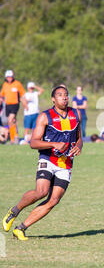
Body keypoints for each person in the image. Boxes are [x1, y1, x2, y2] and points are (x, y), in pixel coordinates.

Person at [2, 85, 82, 241]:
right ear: (53, 99)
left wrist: (79, 145)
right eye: (60, 95)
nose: (64, 97)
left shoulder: (75, 113)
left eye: (66, 95)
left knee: (54, 200)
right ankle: (14, 211)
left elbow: (78, 137)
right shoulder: (45, 116)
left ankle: (21, 229)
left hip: (65, 163)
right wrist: (53, 144)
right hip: (48, 159)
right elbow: (33, 142)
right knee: (41, 192)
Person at [0, 70, 28, 144]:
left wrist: (25, 104)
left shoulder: (17, 84)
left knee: (10, 120)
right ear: (6, 77)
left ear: (13, 77)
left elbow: (23, 94)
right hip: (7, 105)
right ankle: (14, 139)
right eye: (8, 77)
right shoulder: (5, 84)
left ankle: (14, 137)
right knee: (12, 122)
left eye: (11, 77)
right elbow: (1, 94)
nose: (9, 78)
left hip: (15, 105)